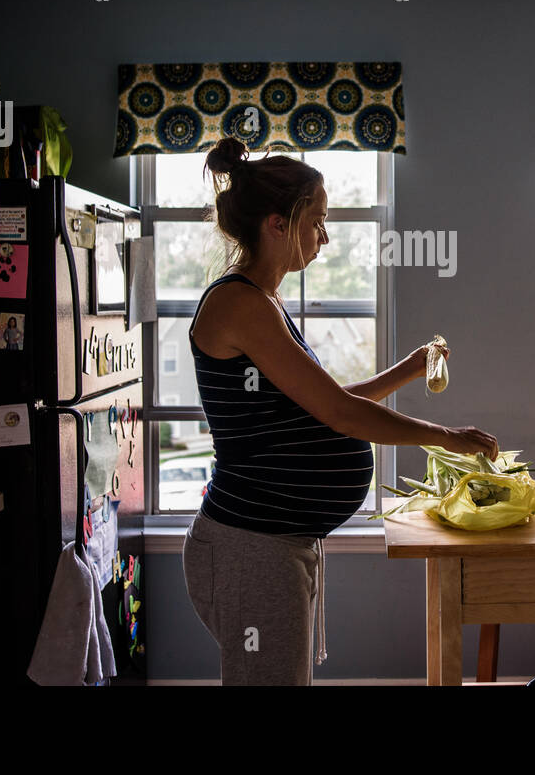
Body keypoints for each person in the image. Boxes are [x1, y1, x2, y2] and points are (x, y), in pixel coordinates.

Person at [182, 136, 496, 686]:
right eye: (317, 222)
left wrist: (408, 369)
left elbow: (318, 407)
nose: (323, 237)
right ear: (277, 224)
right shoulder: (239, 303)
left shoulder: (264, 302)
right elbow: (339, 414)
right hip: (251, 546)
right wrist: (445, 436)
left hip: (274, 542)